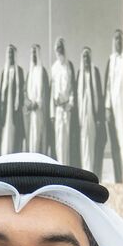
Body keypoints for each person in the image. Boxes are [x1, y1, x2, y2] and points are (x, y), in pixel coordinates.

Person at [49, 39, 76, 169]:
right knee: (59, 141)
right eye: (57, 47)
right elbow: (52, 91)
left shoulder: (69, 65)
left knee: (67, 140)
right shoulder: (54, 68)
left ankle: (67, 167)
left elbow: (72, 88)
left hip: (67, 108)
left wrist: (70, 103)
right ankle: (60, 167)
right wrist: (52, 113)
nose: (59, 49)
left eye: (61, 47)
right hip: (58, 109)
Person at [76, 47, 101, 176]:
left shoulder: (94, 72)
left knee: (92, 142)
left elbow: (99, 95)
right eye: (84, 56)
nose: (86, 59)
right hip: (82, 115)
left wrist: (98, 117)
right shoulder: (79, 73)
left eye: (87, 56)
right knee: (83, 141)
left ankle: (92, 171)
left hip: (92, 113)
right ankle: (85, 170)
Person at [106, 29, 123, 180]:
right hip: (114, 107)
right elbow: (108, 85)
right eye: (116, 39)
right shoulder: (111, 60)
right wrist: (107, 107)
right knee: (116, 143)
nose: (118, 41)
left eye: (120, 38)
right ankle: (120, 177)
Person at [26, 43, 51, 158]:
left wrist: (38, 103)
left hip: (40, 111)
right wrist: (29, 103)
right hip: (31, 112)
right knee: (31, 139)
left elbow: (45, 92)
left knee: (40, 138)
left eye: (36, 53)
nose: (34, 56)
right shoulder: (29, 73)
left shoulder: (43, 71)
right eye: (32, 53)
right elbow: (25, 92)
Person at [2, 44, 26, 155]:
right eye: (9, 53)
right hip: (6, 107)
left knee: (16, 132)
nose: (10, 55)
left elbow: (22, 90)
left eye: (12, 53)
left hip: (15, 107)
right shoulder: (4, 72)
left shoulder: (19, 71)